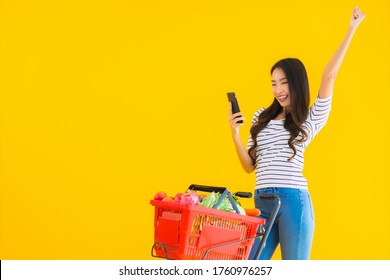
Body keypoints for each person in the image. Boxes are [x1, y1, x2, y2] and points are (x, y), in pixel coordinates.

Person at [228, 7, 366, 260]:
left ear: (297, 83)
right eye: (273, 83)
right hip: (263, 202)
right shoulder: (261, 117)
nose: (278, 89)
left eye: (284, 82)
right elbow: (249, 166)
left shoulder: (309, 118)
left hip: (294, 204)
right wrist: (235, 134)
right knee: (249, 265)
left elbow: (329, 75)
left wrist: (351, 29)